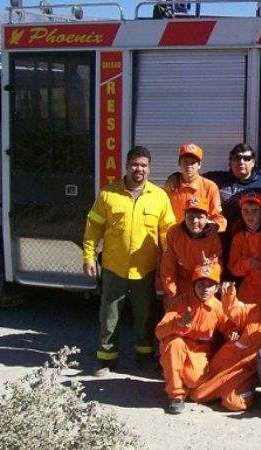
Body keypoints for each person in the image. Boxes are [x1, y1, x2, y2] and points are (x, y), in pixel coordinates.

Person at [83, 146, 175, 376]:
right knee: (109, 316)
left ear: (149, 168)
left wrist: (170, 262)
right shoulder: (108, 194)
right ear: (126, 166)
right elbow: (93, 228)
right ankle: (106, 360)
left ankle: (144, 357)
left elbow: (168, 232)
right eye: (135, 164)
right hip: (114, 267)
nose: (139, 169)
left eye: (143, 165)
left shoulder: (159, 196)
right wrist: (88, 256)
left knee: (144, 315)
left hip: (145, 269)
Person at [190, 283, 261, 411]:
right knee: (198, 395)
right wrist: (230, 291)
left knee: (235, 403)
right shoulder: (252, 310)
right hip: (228, 359)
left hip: (247, 368)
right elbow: (234, 309)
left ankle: (249, 389)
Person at [155, 264, 229, 414]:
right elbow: (159, 331)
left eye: (210, 285)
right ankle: (176, 395)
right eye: (201, 284)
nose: (205, 289)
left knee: (193, 380)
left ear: (216, 288)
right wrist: (178, 322)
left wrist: (233, 333)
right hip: (179, 345)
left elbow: (228, 327)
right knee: (173, 343)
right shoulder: (181, 302)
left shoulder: (218, 307)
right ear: (193, 285)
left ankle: (179, 378)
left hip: (200, 350)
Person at [204, 143, 261, 278]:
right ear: (230, 162)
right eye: (237, 158)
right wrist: (176, 176)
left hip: (249, 247)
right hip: (221, 242)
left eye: (246, 159)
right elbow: (193, 178)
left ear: (253, 162)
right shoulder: (218, 179)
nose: (241, 162)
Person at [160, 197, 222, 307]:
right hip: (180, 283)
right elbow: (167, 266)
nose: (195, 221)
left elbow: (217, 265)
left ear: (207, 217)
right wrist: (172, 292)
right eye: (191, 217)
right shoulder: (174, 232)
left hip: (203, 284)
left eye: (200, 217)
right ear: (184, 217)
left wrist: (210, 266)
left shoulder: (213, 236)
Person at [165, 143, 226, 233]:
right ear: (179, 163)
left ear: (199, 164)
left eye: (193, 162)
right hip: (175, 239)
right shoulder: (170, 186)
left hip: (200, 241)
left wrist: (211, 227)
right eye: (185, 161)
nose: (189, 165)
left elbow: (219, 218)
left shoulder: (210, 187)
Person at [228, 192, 261, 305]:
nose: (249, 216)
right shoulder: (238, 237)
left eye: (254, 211)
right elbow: (233, 267)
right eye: (245, 211)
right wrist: (248, 263)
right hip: (248, 289)